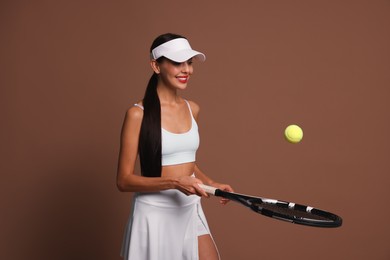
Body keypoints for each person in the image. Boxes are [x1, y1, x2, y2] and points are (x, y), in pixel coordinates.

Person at [117, 33, 233, 260]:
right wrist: (174, 182)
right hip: (153, 214)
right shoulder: (137, 115)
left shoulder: (193, 109)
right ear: (156, 65)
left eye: (189, 62)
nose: (187, 70)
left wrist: (211, 183)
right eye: (177, 62)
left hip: (189, 208)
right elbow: (123, 180)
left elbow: (185, 161)